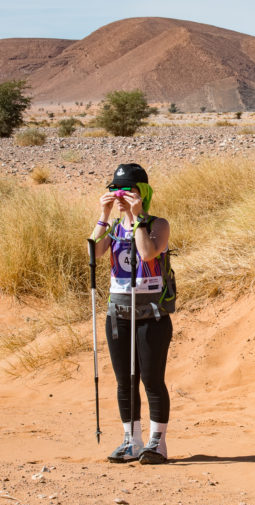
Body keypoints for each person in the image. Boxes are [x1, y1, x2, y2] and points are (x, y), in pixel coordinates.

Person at [90, 163, 174, 464]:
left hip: (151, 314)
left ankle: (157, 443)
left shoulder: (157, 224)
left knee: (151, 379)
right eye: (117, 190)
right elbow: (93, 253)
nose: (123, 196)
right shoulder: (112, 229)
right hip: (119, 313)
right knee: (124, 380)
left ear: (144, 193)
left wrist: (136, 216)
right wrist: (104, 215)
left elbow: (149, 253)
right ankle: (131, 440)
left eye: (130, 190)